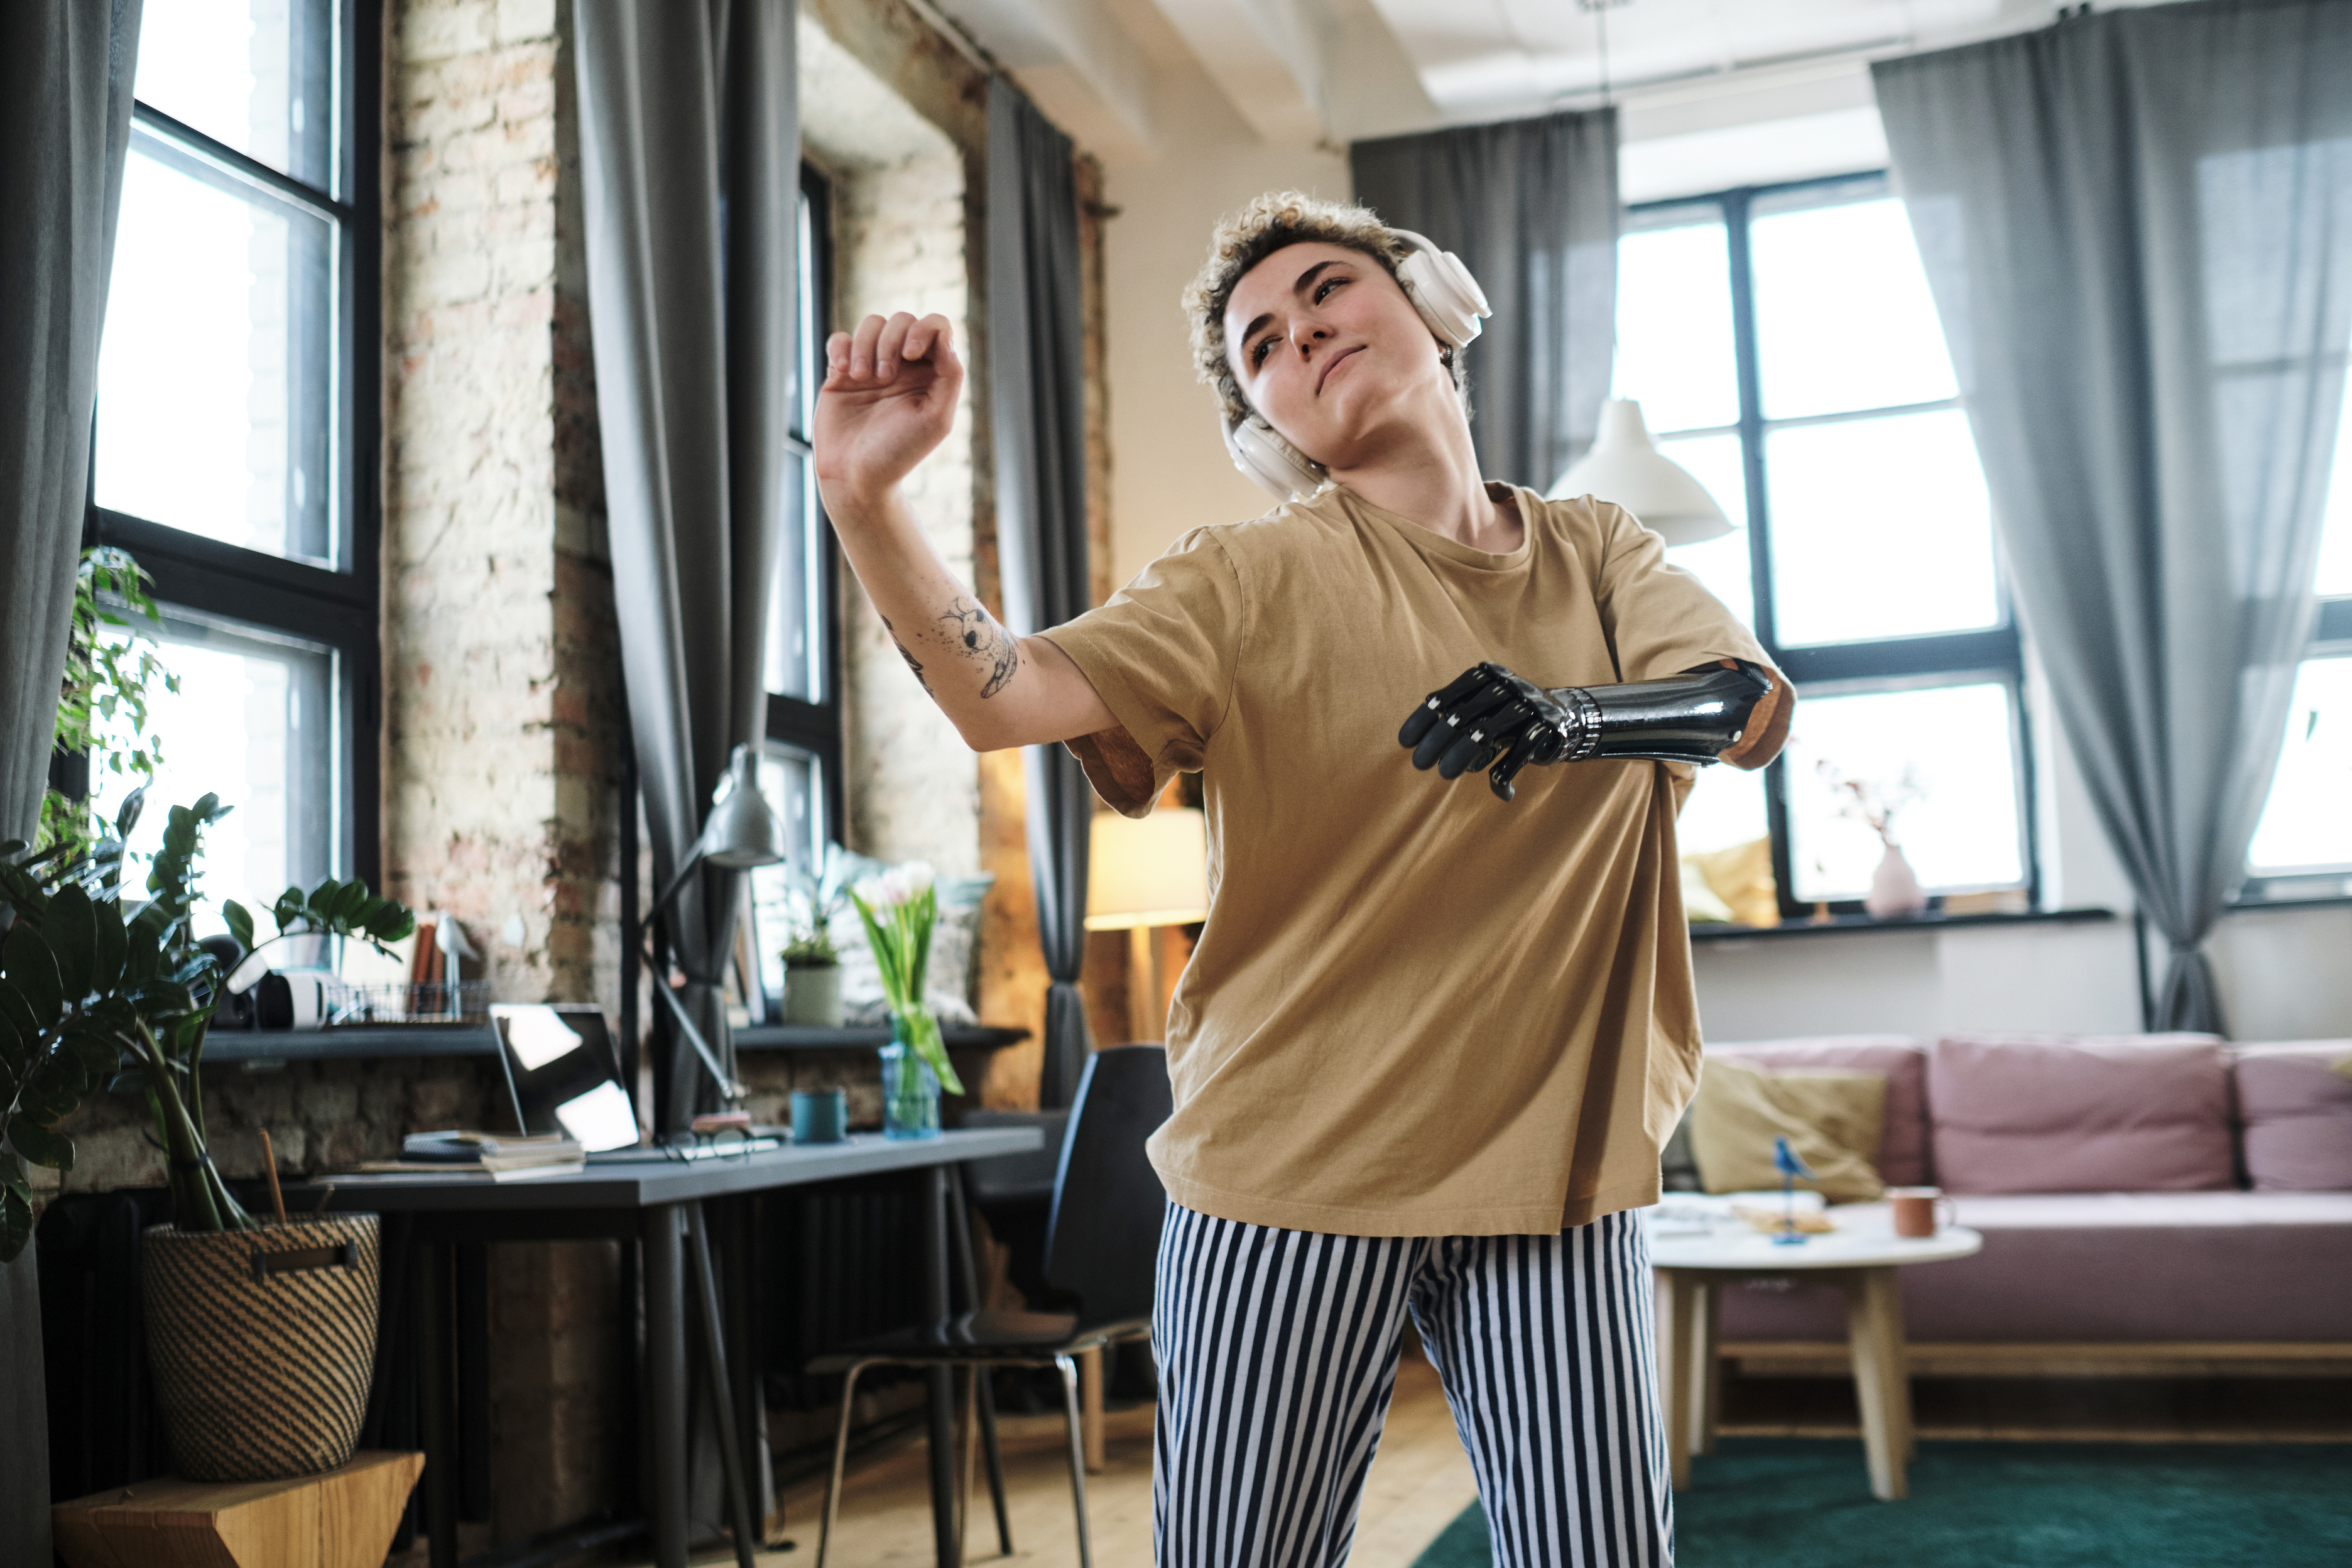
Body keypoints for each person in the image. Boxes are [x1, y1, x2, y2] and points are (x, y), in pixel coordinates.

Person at [812, 190, 1792, 1568]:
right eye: (1263, 343)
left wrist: (1569, 719)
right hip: (1286, 1179)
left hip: (1558, 1181)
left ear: (1436, 313)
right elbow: (1006, 693)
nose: (1302, 332)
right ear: (1267, 422)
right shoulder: (1243, 582)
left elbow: (1739, 705)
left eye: (1327, 290)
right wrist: (866, 498)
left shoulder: (1599, 551)